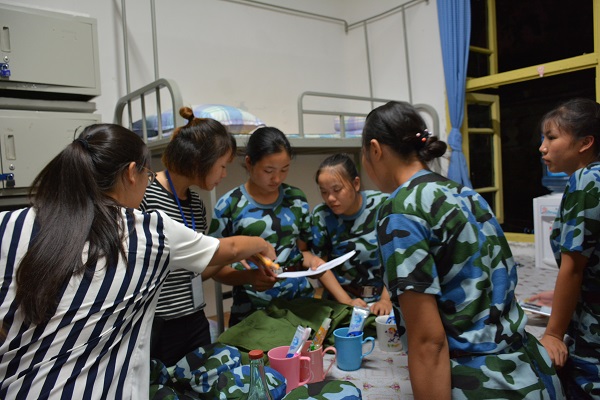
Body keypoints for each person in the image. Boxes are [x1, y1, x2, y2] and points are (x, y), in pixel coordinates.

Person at [0, 124, 275, 399]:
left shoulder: (9, 224)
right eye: (147, 174)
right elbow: (229, 249)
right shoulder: (144, 228)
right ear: (132, 173)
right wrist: (261, 244)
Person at [360, 101, 563, 399]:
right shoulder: (465, 194)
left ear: (375, 149)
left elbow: (428, 342)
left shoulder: (400, 211)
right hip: (530, 371)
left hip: (483, 383)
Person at [140, 107, 236, 366]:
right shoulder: (146, 194)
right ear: (199, 161)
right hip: (158, 324)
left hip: (194, 319)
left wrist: (235, 262)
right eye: (222, 166)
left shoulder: (196, 204)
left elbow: (195, 270)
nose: (224, 174)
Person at [209, 126, 326, 327]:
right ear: (249, 163)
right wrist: (248, 277)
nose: (277, 179)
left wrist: (315, 263)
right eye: (268, 171)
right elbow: (213, 267)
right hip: (252, 310)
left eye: (284, 169)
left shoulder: (296, 199)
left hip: (300, 304)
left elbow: (303, 251)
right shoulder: (229, 205)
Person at [534, 98, 600, 398]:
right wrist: (562, 296)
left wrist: (553, 333)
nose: (543, 148)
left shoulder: (586, 180)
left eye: (551, 137)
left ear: (585, 142)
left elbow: (573, 268)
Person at [311, 153, 392, 315]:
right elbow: (321, 266)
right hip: (341, 301)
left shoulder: (383, 205)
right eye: (324, 192)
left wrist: (385, 300)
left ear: (355, 184)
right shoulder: (322, 215)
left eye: (337, 190)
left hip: (385, 297)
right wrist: (347, 301)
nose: (330, 198)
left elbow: (397, 256)